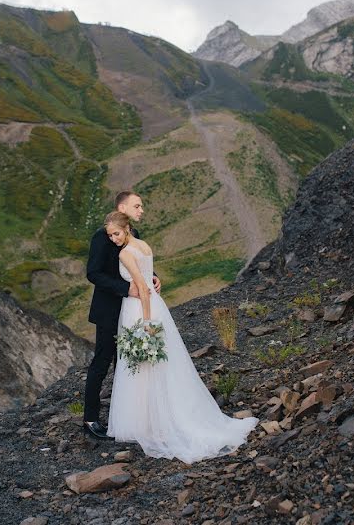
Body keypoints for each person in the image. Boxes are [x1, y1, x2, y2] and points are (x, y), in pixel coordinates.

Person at [104, 211, 258, 463]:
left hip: (140, 309)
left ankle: (149, 422)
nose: (113, 239)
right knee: (161, 364)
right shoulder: (144, 245)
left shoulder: (125, 253)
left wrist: (145, 322)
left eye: (116, 233)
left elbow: (142, 288)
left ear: (127, 228)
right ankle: (154, 417)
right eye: (110, 235)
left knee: (143, 365)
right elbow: (149, 278)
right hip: (157, 305)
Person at [83, 192, 160, 439]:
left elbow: (137, 263)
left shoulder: (133, 235)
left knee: (128, 364)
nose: (141, 210)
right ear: (122, 207)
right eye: (137, 206)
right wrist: (126, 288)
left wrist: (153, 277)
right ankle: (90, 419)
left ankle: (126, 419)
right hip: (109, 309)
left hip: (132, 310)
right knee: (102, 362)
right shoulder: (101, 237)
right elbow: (93, 273)